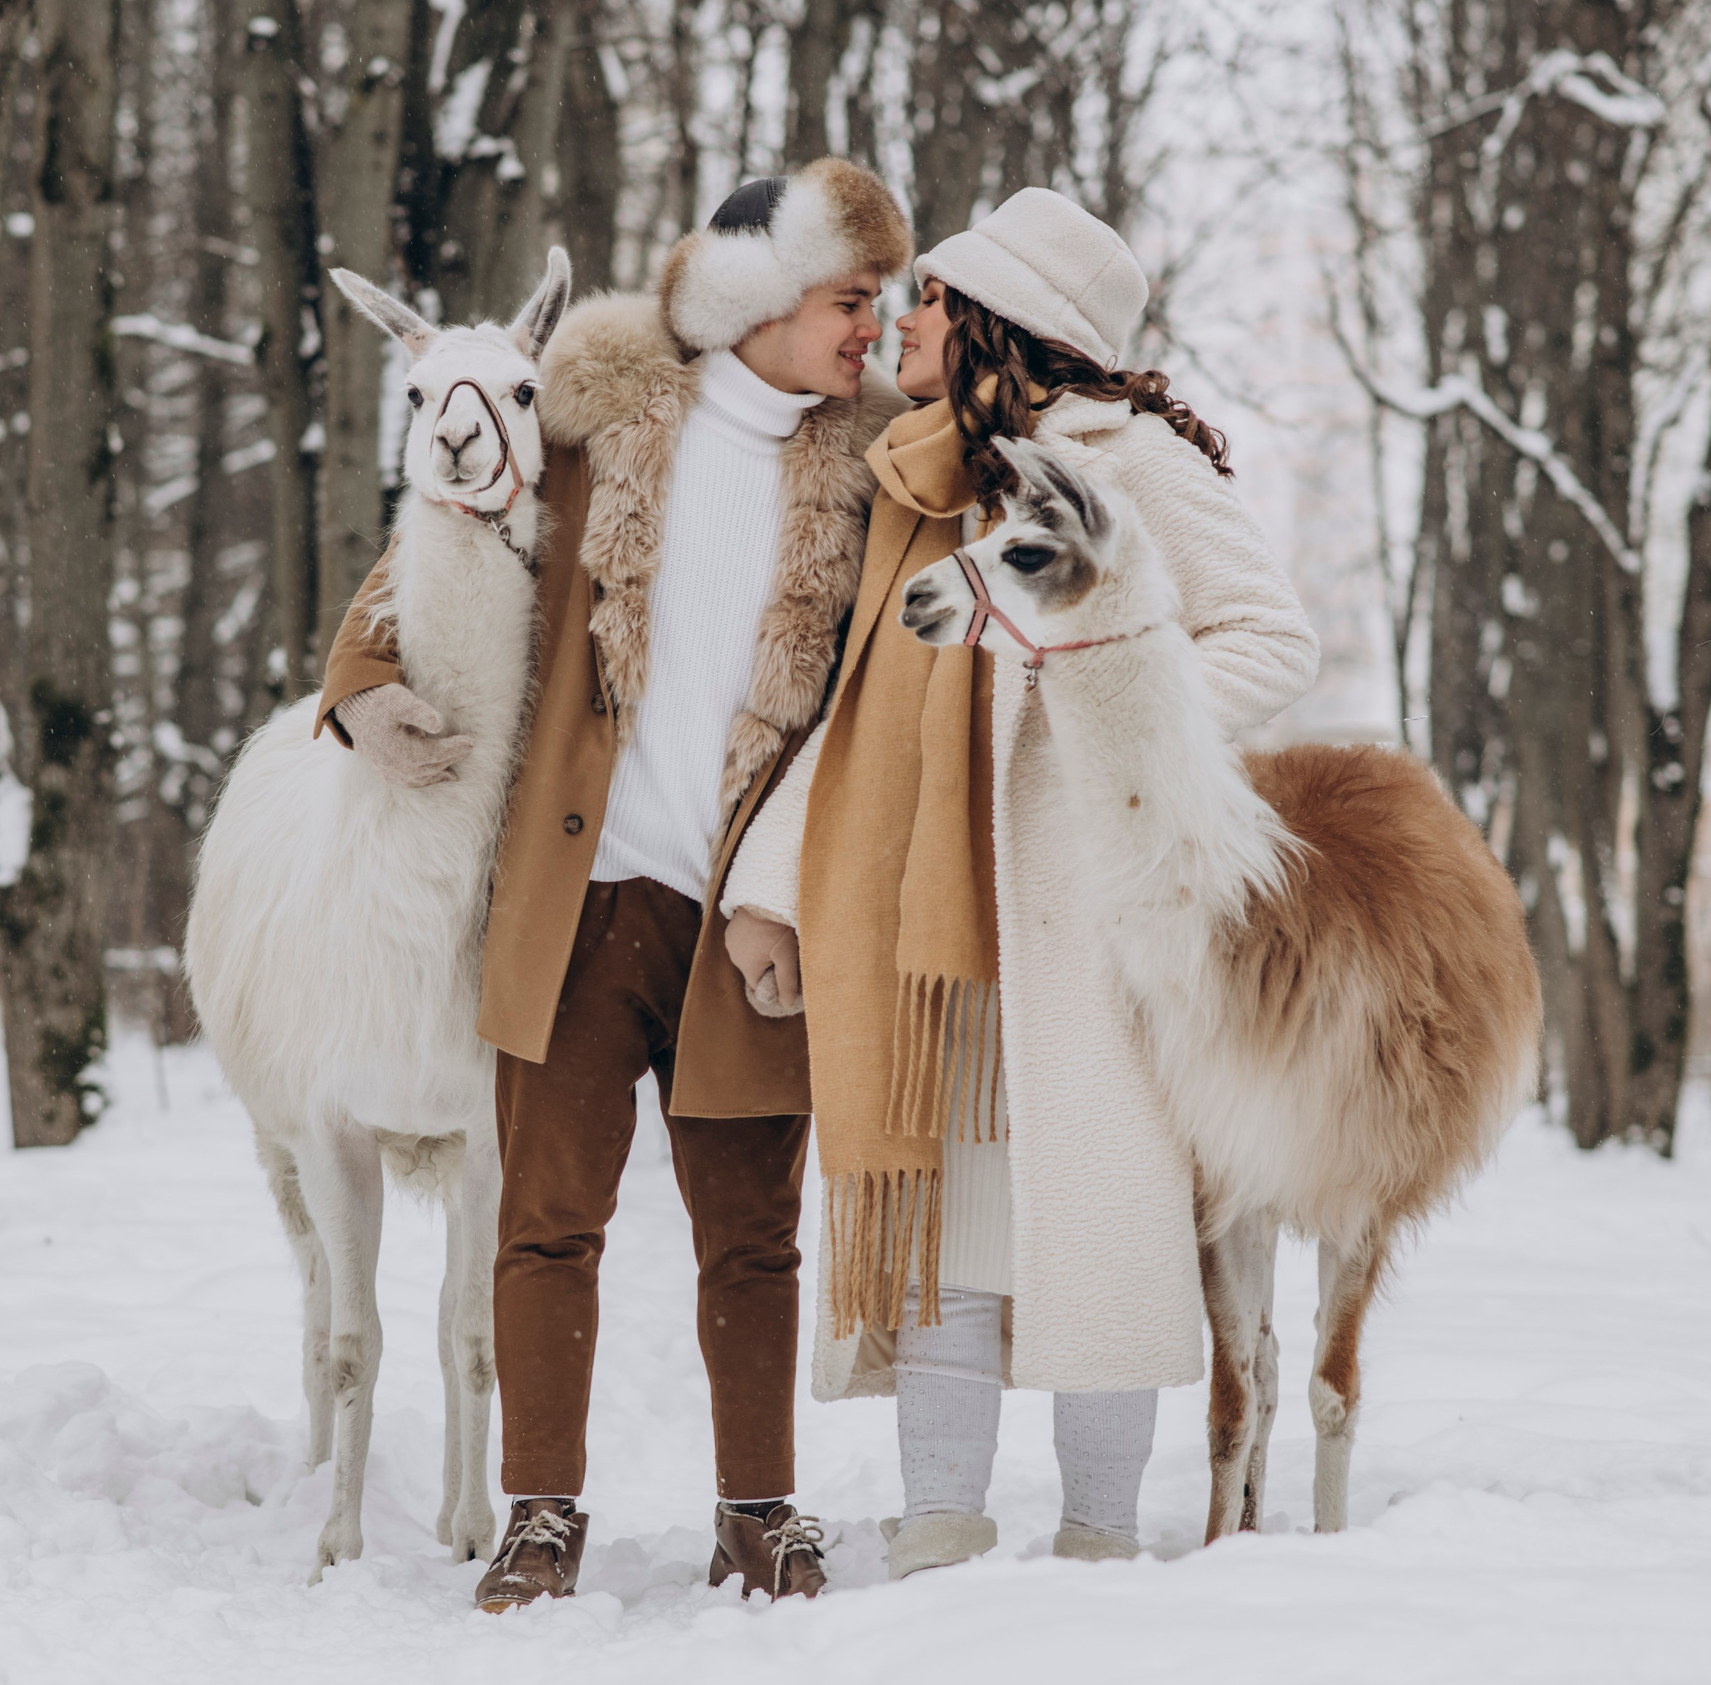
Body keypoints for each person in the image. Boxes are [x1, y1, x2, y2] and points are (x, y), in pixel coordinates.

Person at [314, 160, 911, 1610]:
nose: (873, 327)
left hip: (750, 917)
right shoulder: (600, 424)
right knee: (545, 1221)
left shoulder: (869, 475)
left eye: (883, 300)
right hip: (582, 898)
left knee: (752, 1237)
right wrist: (361, 676)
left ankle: (757, 1513)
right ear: (766, 297)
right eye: (851, 297)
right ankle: (540, 1516)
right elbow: (449, 529)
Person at [718, 187, 1321, 1575]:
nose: (905, 319)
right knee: (947, 1206)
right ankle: (942, 1518)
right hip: (929, 914)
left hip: (1091, 912)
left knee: (1103, 1213)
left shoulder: (1131, 463)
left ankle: (1098, 1536)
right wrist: (771, 886)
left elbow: (1267, 636)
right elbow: (859, 710)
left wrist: (1104, 707)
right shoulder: (924, 481)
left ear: (1005, 322)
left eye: (933, 298)